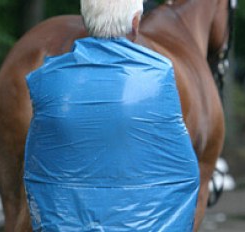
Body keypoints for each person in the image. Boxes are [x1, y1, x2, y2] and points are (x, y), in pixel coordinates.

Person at [24, 0, 199, 231]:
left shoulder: (46, 80)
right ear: (135, 23)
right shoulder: (158, 76)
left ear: (86, 21)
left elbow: (39, 166)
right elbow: (183, 171)